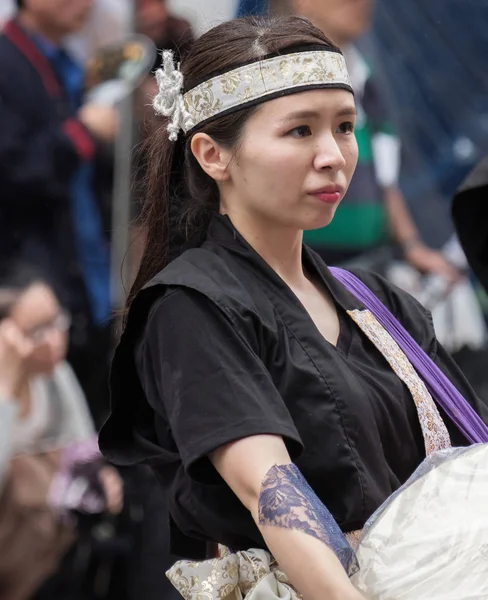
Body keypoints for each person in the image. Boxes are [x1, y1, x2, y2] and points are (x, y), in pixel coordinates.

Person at [99, 15, 487, 600]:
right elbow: (268, 490)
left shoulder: (382, 305)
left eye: (346, 127)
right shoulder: (190, 307)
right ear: (212, 155)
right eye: (300, 131)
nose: (333, 155)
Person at [0, 0, 117, 425]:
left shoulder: (69, 62)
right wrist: (83, 134)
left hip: (83, 265)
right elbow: (14, 171)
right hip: (29, 277)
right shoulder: (7, 62)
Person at [289, 0, 458, 282]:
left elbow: (385, 176)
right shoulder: (280, 73)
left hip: (363, 268)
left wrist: (411, 245)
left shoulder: (365, 77)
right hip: (300, 268)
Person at [0, 263, 123, 600]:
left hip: (50, 557)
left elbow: (83, 448)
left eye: (58, 322)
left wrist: (101, 482)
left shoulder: (56, 376)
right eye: (39, 330)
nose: (56, 339)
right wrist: (7, 387)